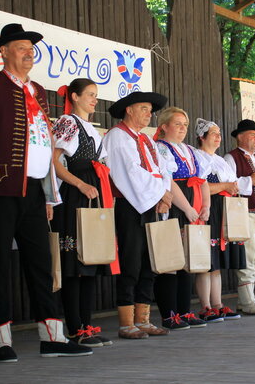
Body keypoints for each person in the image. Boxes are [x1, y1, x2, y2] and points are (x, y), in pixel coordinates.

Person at [0, 23, 91, 361]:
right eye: (20, 46)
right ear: (3, 52)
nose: (28, 51)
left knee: (41, 264)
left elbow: (43, 145)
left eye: (30, 47)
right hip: (0, 190)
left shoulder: (37, 90)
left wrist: (49, 194)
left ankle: (52, 337)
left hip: (33, 191)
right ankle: (0, 341)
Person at [102, 91, 172, 339]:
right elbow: (128, 173)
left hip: (149, 203)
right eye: (143, 108)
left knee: (148, 263)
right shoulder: (118, 138)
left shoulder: (146, 140)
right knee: (131, 261)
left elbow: (162, 170)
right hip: (130, 205)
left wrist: (164, 193)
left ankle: (143, 318)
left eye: (149, 109)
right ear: (129, 110)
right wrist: (160, 194)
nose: (149, 113)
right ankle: (126, 322)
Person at [51, 79, 114, 347]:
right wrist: (79, 183)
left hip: (93, 194)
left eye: (96, 95)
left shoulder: (91, 127)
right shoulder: (67, 121)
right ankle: (76, 327)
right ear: (74, 96)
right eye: (90, 95)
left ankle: (86, 325)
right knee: (75, 263)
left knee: (90, 261)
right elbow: (53, 161)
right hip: (76, 195)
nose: (94, 100)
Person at [154, 107, 209, 329]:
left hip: (192, 207)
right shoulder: (160, 149)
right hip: (175, 207)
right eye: (177, 124)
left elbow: (202, 179)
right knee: (170, 262)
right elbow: (169, 181)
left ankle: (184, 311)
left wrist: (206, 206)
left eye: (185, 125)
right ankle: (169, 314)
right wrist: (186, 208)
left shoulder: (190, 150)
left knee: (187, 261)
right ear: (165, 126)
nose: (182, 128)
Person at [194, 118, 244, 322]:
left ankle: (218, 304)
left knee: (217, 263)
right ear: (201, 137)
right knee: (206, 260)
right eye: (213, 133)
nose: (218, 137)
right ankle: (205, 306)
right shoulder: (198, 157)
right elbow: (201, 186)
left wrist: (230, 187)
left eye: (219, 133)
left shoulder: (221, 160)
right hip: (208, 209)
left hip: (223, 210)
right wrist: (225, 186)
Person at [224, 119, 255, 315]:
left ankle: (245, 300)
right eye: (252, 135)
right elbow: (228, 184)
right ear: (240, 137)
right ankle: (247, 301)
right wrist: (249, 180)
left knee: (254, 257)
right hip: (242, 213)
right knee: (247, 257)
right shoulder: (231, 158)